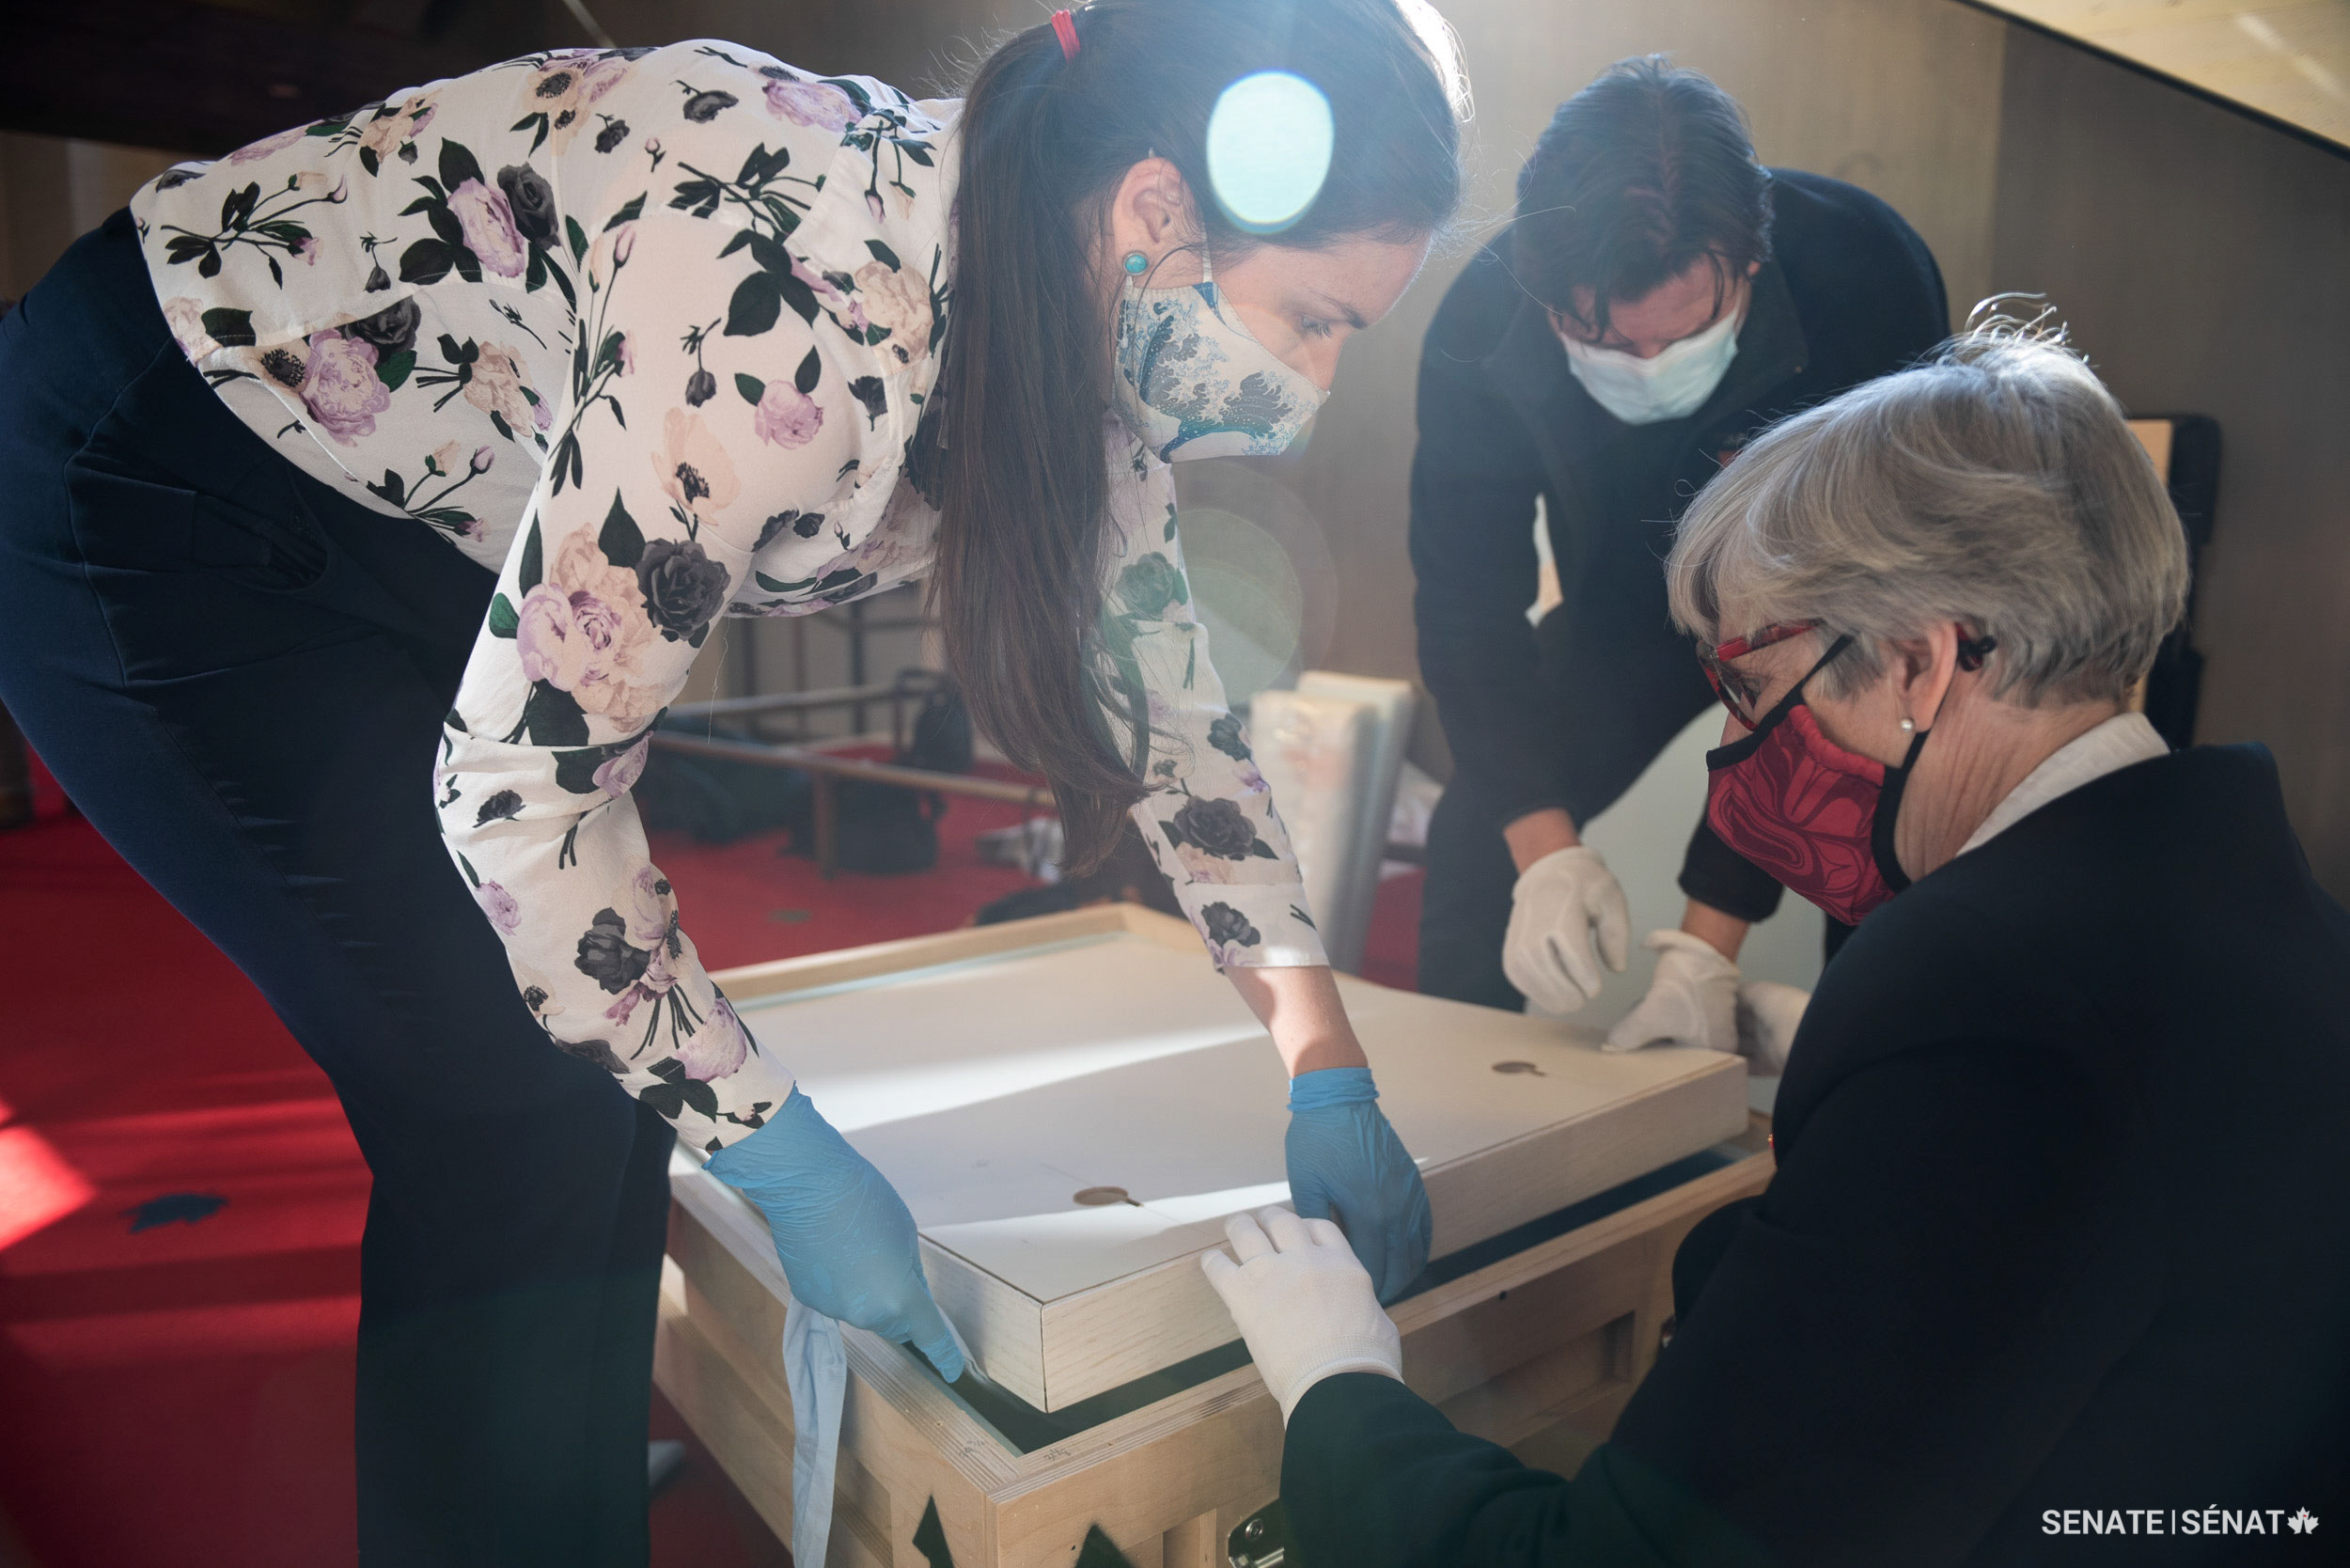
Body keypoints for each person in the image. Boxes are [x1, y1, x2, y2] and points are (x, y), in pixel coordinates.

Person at [0, 3, 1465, 1560]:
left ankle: (543, 1490)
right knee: (501, 1096)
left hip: (418, 502)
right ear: (1159, 212)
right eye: (1315, 319)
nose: (1308, 386)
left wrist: (1324, 1057)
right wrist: (783, 1149)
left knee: (607, 1069)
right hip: (166, 480)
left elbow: (1180, 731)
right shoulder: (796, 300)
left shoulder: (1077, 323)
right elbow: (529, 803)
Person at [1204, 324, 2350, 1564]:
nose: (1739, 744)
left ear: (1920, 660)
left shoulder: (1980, 1008)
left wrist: (1339, 1394)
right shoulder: (2264, 913)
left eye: (1750, 688)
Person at [1410, 56, 1948, 1058]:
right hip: (1628, 610)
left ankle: (1846, 1138)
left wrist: (1704, 950)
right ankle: (1448, 1118)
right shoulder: (1484, 321)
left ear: (1746, 261)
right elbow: (1464, 611)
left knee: (1883, 870)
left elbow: (1876, 604)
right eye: (1595, 336)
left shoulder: (1863, 274)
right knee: (1478, 840)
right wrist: (1545, 854)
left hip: (1838, 618)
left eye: (1679, 336)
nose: (1640, 366)